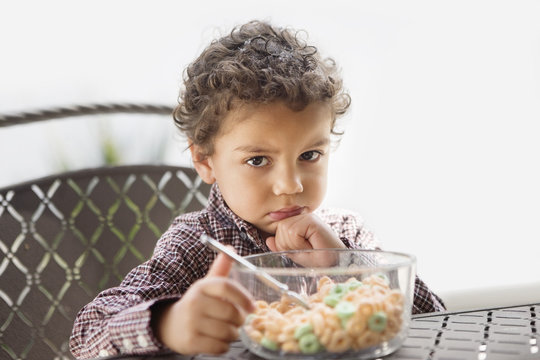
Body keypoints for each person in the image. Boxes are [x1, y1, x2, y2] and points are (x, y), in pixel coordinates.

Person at [70, 20, 445, 359]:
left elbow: (437, 323)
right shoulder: (194, 244)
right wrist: (169, 323)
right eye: (258, 160)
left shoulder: (346, 234)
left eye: (310, 154)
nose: (291, 185)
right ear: (204, 161)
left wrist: (344, 266)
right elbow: (87, 333)